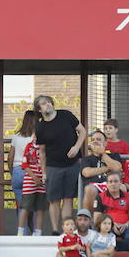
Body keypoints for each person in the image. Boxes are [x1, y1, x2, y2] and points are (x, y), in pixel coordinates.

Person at [34, 96, 85, 235]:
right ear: (39, 109)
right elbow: (42, 152)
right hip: (52, 166)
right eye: (44, 104)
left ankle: (67, 230)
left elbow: (83, 131)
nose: (48, 104)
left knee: (68, 198)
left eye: (49, 102)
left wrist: (76, 147)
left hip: (72, 164)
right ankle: (55, 230)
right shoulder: (40, 127)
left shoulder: (66, 115)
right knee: (54, 199)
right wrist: (43, 172)